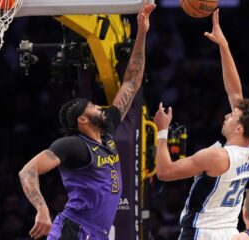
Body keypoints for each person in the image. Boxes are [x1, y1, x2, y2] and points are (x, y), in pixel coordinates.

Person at [18, 3, 156, 240]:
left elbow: (131, 82)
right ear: (82, 119)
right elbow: (27, 171)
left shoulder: (107, 130)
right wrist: (41, 208)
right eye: (92, 106)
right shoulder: (73, 145)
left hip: (97, 233)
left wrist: (142, 33)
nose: (99, 107)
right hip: (74, 231)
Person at [153, 9, 249, 240]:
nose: (227, 115)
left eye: (232, 117)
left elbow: (164, 172)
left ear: (239, 128)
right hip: (229, 232)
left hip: (201, 233)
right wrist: (223, 46)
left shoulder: (216, 157)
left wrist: (161, 131)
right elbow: (235, 92)